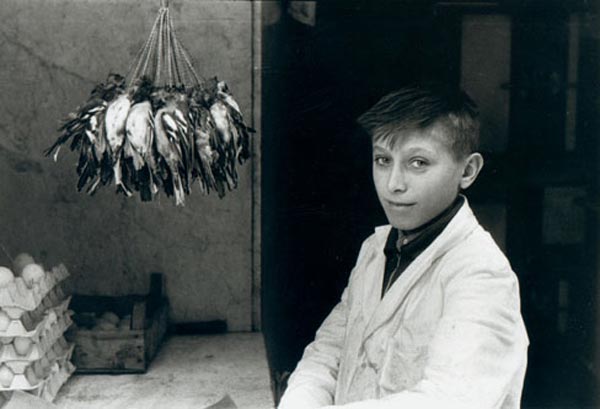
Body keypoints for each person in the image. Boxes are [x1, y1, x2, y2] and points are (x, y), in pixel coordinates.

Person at [277, 84, 529, 409]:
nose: (393, 183)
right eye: (383, 160)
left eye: (418, 163)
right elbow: (327, 354)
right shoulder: (376, 247)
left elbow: (450, 401)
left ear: (468, 171)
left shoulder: (481, 274)